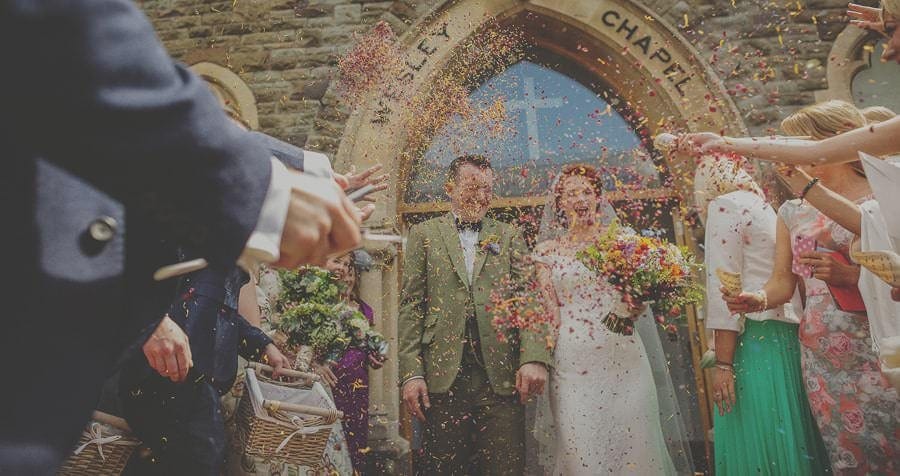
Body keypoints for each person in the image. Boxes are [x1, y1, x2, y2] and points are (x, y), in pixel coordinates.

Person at [0, 1, 361, 471]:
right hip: (141, 375)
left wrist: (307, 176)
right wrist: (263, 192)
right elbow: (70, 30)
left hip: (196, 379)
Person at [718, 102, 900, 474]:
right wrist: (759, 298)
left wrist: (851, 277)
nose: (800, 154)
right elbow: (784, 282)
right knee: (848, 455)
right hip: (822, 354)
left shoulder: (884, 195)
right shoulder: (793, 211)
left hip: (880, 341)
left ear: (841, 138)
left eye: (805, 143)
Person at [398, 155, 551, 475]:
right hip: (442, 376)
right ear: (450, 187)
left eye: (487, 189)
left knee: (505, 466)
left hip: (500, 376)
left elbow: (528, 299)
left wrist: (534, 356)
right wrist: (411, 373)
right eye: (473, 187)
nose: (481, 196)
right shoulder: (424, 234)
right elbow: (412, 306)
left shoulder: (509, 235)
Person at [528, 164, 675, 475]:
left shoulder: (624, 243)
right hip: (572, 363)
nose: (580, 198)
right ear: (560, 203)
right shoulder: (546, 253)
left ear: (598, 198)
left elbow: (642, 299)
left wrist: (635, 305)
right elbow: (548, 313)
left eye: (587, 192)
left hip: (623, 356)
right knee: (581, 449)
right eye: (571, 193)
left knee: (635, 447)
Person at [695, 156, 830, 475]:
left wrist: (723, 364)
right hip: (785, 339)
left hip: (752, 343)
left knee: (758, 441)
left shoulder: (724, 205)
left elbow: (724, 286)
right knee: (789, 434)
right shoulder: (767, 208)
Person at [317, 251, 385, 475]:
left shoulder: (364, 310)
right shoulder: (319, 306)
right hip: (330, 383)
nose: (346, 274)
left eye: (350, 269)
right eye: (339, 264)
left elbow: (369, 346)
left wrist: (375, 357)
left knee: (356, 437)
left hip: (357, 386)